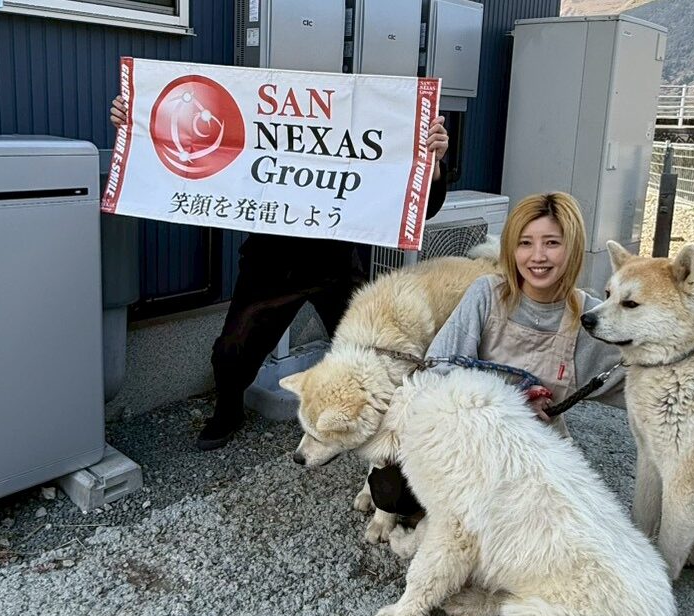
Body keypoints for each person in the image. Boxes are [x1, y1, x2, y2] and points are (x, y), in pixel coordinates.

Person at [109, 96, 451, 450]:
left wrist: (432, 163)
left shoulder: (356, 129)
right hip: (270, 263)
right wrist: (137, 128)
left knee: (372, 349)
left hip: (335, 261)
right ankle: (229, 410)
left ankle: (379, 422)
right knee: (232, 350)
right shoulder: (252, 126)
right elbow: (190, 159)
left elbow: (420, 206)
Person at [367, 191, 626, 515]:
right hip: (469, 435)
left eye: (552, 243)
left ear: (572, 248)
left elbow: (636, 382)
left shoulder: (590, 316)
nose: (537, 256)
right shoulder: (486, 294)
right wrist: (511, 402)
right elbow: (436, 373)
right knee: (393, 492)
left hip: (535, 450)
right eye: (525, 243)